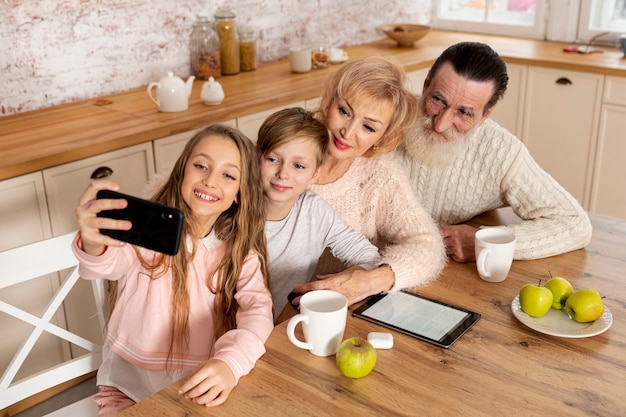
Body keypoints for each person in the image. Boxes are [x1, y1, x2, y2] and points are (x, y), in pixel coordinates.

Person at [73, 125, 273, 415]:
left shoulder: (240, 253)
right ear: (182, 172)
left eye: (228, 175)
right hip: (126, 389)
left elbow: (258, 311)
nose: (210, 180)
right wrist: (93, 243)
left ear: (240, 195)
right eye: (201, 165)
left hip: (197, 386)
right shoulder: (144, 232)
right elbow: (109, 262)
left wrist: (231, 363)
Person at [395, 41, 592, 262]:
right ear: (426, 84)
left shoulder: (501, 151)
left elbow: (574, 223)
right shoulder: (387, 114)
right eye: (438, 100)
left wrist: (485, 241)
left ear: (486, 114)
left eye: (464, 112)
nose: (441, 124)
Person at [290, 56, 447, 308]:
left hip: (330, 314)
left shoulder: (379, 173)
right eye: (344, 112)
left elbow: (427, 244)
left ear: (383, 137)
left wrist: (373, 280)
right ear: (329, 101)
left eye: (369, 127)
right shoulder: (285, 143)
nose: (348, 132)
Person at [257, 107, 381, 320]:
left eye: (298, 165)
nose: (283, 173)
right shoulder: (230, 209)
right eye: (273, 159)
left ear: (315, 173)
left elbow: (370, 258)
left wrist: (333, 285)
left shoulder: (314, 211)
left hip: (283, 330)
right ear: (255, 158)